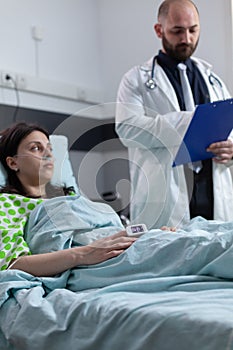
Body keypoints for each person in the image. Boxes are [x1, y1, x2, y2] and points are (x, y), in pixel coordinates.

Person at [115, 0, 233, 230]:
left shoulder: (215, 81)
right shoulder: (135, 80)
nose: (186, 39)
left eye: (193, 30)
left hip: (212, 194)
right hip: (166, 199)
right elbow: (127, 130)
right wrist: (188, 122)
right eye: (177, 31)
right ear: (159, 30)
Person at [0, 122, 174, 276]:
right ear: (13, 163)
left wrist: (149, 235)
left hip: (119, 249)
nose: (48, 154)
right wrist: (85, 253)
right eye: (36, 148)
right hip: (96, 261)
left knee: (177, 240)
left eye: (50, 149)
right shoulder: (7, 204)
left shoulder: (73, 200)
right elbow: (12, 263)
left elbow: (111, 234)